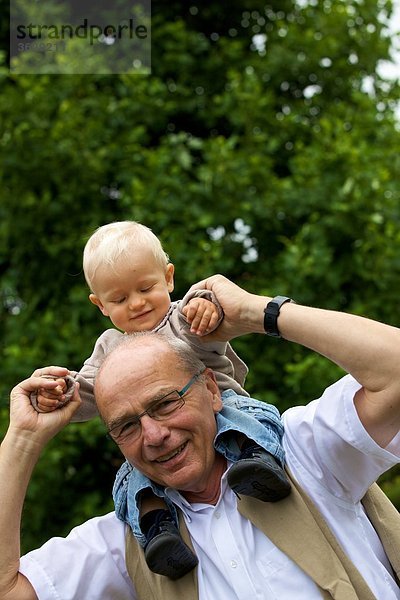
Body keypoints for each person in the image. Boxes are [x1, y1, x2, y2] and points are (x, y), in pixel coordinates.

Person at [1, 274, 400, 600]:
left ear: (211, 390)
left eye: (166, 404)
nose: (154, 435)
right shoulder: (131, 537)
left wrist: (255, 312)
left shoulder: (301, 452)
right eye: (126, 426)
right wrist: (23, 438)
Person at [30, 221, 290, 579]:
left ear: (168, 278)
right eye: (120, 299)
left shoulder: (183, 316)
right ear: (100, 305)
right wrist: (60, 393)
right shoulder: (109, 348)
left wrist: (208, 309)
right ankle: (158, 529)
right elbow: (87, 394)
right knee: (128, 477)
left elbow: (213, 319)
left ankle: (257, 461)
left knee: (252, 415)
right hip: (168, 442)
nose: (136, 304)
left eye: (145, 288)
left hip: (223, 405)